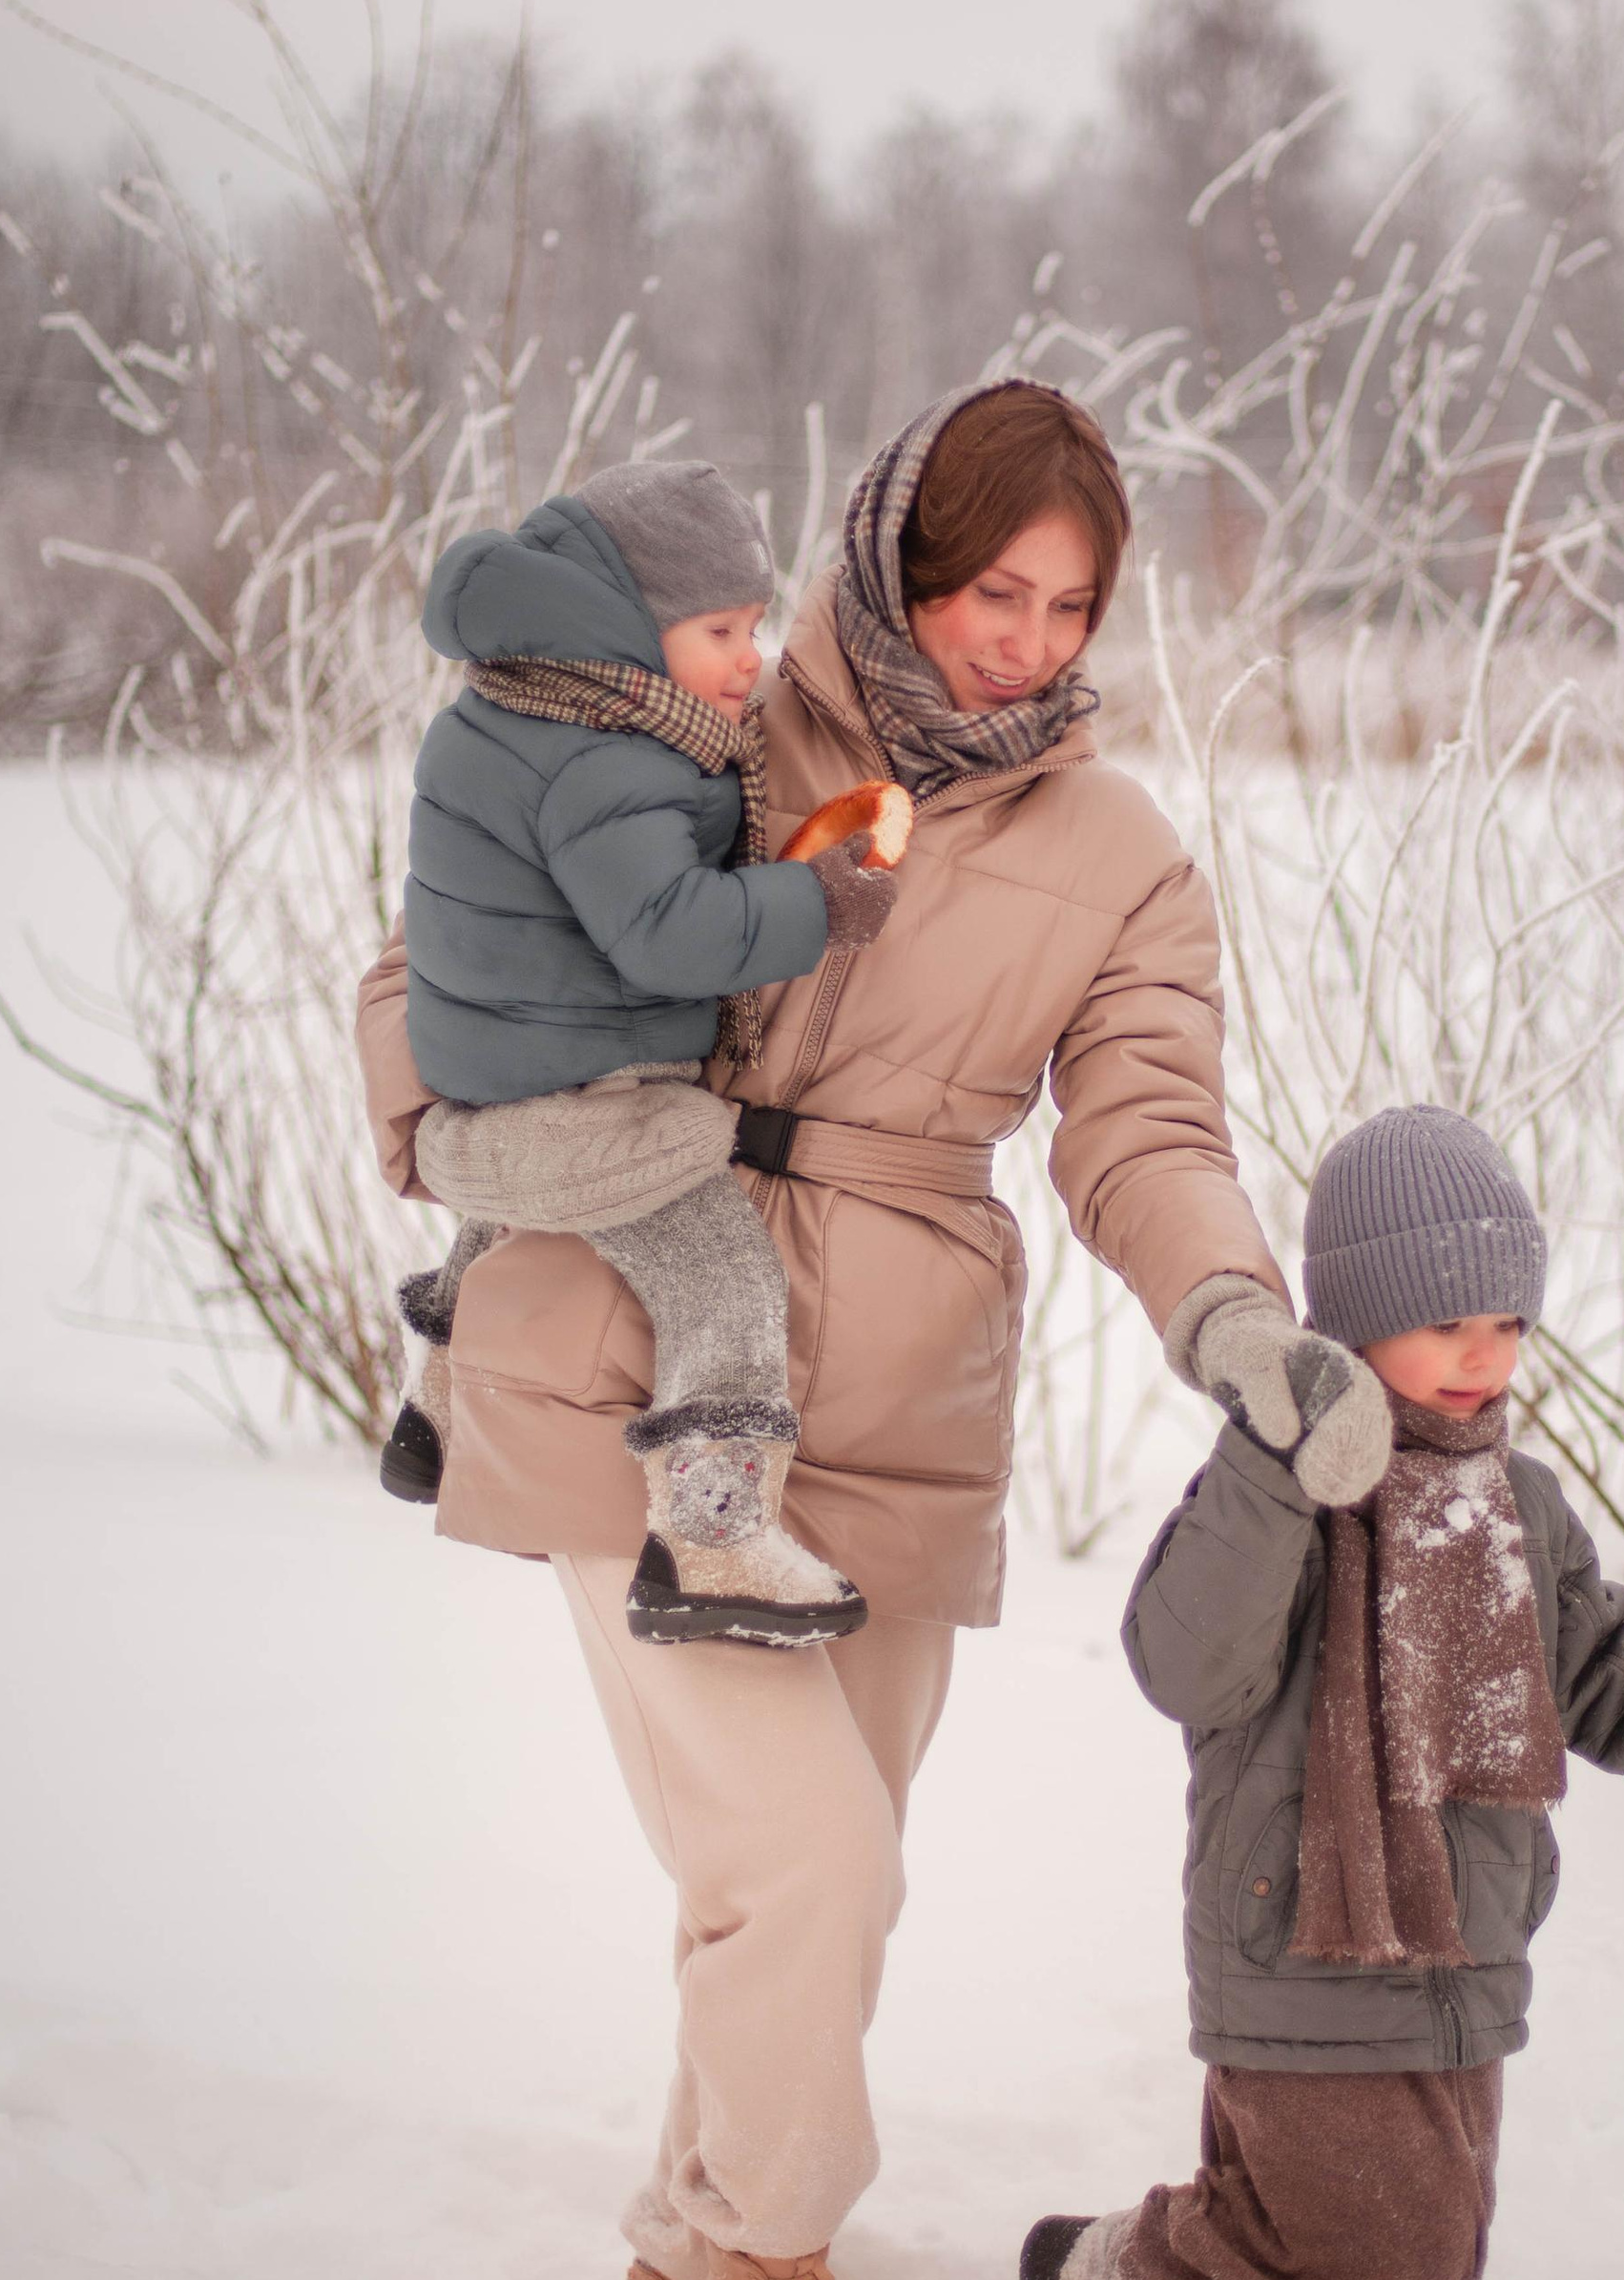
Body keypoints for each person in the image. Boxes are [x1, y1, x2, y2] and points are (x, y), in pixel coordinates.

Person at [352, 379, 1388, 2280]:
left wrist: (1234, 1315)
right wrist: (429, 1115)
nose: (1028, 643)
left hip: (902, 1387)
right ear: (897, 558)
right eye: (993, 590)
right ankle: (754, 2250)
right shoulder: (706, 704)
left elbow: (1147, 1123)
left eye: (1071, 610)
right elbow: (444, 928)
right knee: (801, 1861)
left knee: (818, 1885)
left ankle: (691, 2218)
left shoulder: (1117, 849)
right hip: (635, 1338)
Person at [1024, 1104, 1624, 2280]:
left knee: (1394, 2246)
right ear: (1361, 1322)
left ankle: (1119, 2261)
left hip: (1464, 1963)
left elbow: (1623, 1681)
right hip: (1303, 1955)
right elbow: (1187, 1666)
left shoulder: (1515, 1505)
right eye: (1445, 1323)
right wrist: (1274, 1455)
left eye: (1507, 1321)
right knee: (1376, 2248)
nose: (1485, 1355)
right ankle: (1126, 2265)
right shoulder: (1285, 1490)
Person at [381, 457, 897, 1647]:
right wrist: (818, 902)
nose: (749, 658)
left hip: (490, 1094)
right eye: (719, 629)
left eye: (758, 626)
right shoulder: (605, 756)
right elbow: (665, 932)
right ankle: (713, 1538)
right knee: (722, 1279)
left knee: (516, 1210)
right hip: (590, 1098)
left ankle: (436, 1407)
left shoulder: (510, 707)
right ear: (624, 628)